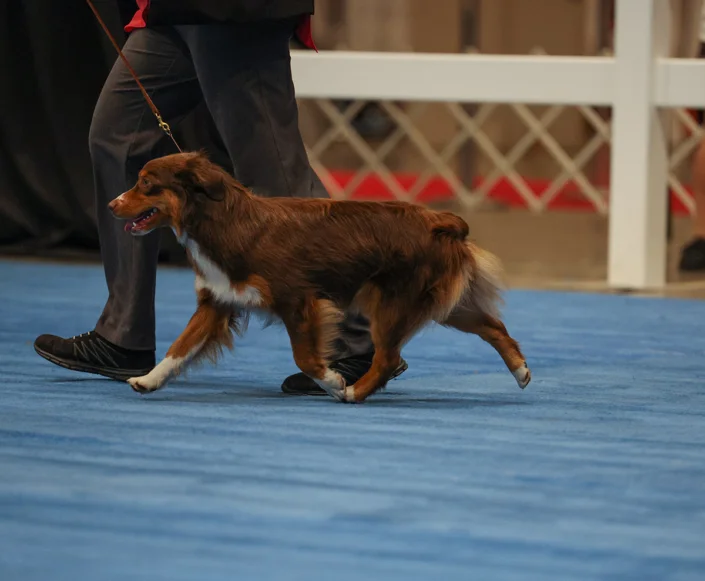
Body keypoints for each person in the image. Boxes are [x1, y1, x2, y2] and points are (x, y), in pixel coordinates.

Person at [33, 0, 408, 394]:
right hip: (173, 10)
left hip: (232, 11)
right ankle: (124, 334)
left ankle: (358, 342)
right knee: (117, 136)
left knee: (276, 179)